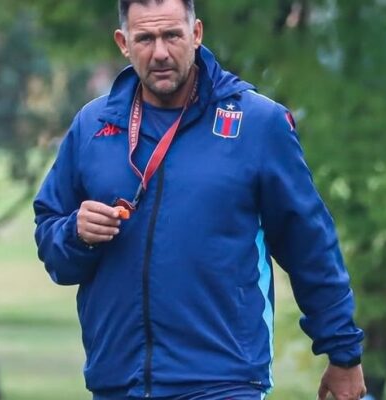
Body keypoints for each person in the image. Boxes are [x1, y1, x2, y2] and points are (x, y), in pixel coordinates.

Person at [33, 0, 367, 399]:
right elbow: (53, 244)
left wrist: (343, 352)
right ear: (123, 43)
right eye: (145, 38)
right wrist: (76, 233)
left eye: (172, 35)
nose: (160, 52)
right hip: (119, 382)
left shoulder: (258, 125)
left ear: (196, 34)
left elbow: (309, 244)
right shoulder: (93, 125)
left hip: (223, 381)